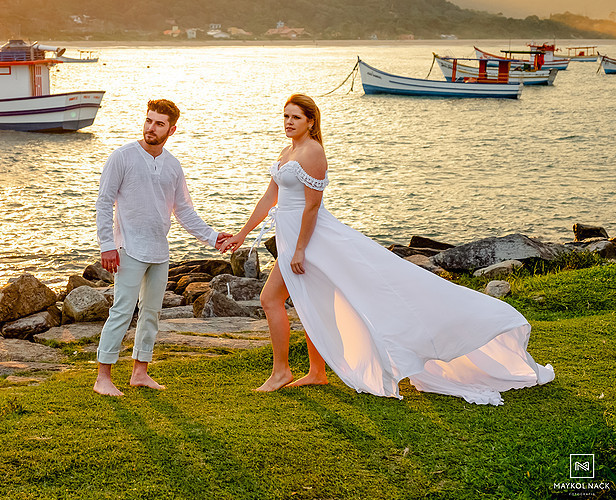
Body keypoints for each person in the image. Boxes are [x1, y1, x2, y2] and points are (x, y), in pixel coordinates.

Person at [220, 93, 554, 404]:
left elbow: (312, 206)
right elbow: (270, 197)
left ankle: (282, 372)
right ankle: (316, 372)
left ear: (311, 121)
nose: (289, 122)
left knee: (272, 299)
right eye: (286, 116)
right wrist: (241, 234)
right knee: (310, 303)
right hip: (292, 236)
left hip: (311, 239)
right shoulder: (286, 152)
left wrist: (299, 250)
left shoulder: (313, 152)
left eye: (296, 117)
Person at [94, 99, 230, 397]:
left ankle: (140, 373)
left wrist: (213, 237)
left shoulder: (173, 166)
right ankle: (103, 377)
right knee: (121, 311)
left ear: (172, 129)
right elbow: (104, 202)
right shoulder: (122, 156)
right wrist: (107, 245)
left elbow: (184, 211)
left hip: (159, 250)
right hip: (128, 247)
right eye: (148, 121)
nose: (151, 128)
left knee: (151, 313)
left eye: (159, 123)